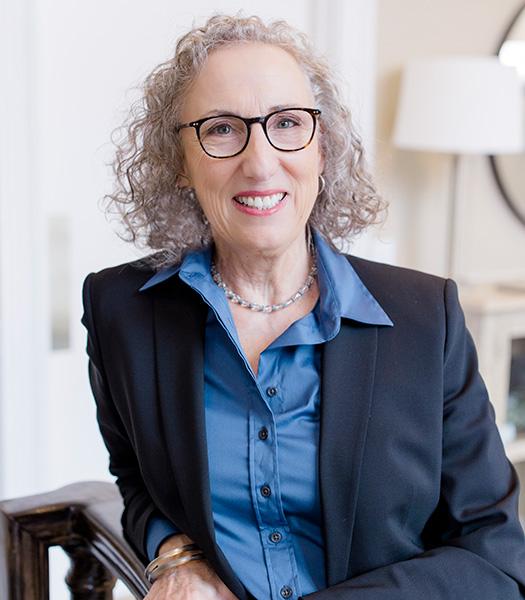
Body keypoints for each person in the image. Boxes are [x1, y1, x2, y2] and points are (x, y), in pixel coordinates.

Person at [81, 13, 525, 600]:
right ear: (180, 162)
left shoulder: (427, 318)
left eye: (287, 123)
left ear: (323, 148)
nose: (260, 162)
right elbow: (136, 479)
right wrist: (176, 555)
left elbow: (494, 558)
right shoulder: (121, 310)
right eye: (221, 129)